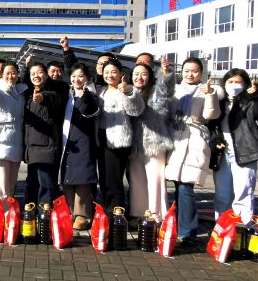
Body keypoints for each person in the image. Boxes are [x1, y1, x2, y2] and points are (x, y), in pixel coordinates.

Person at [164, 57, 222, 243]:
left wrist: (210, 95)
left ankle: (187, 231)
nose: (190, 74)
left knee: (186, 185)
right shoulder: (176, 89)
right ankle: (180, 226)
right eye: (187, 70)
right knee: (178, 185)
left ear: (201, 73)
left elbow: (211, 115)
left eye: (195, 71)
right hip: (176, 138)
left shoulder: (206, 90)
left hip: (194, 140)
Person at [210, 68, 258, 224]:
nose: (233, 85)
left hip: (245, 152)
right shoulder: (220, 101)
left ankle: (243, 226)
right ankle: (222, 227)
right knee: (222, 194)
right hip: (222, 154)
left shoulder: (250, 102)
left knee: (243, 193)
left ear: (245, 84)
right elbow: (212, 126)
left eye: (238, 82)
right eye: (230, 81)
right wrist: (216, 140)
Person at [127, 59, 175, 220]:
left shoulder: (156, 92)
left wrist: (165, 74)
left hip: (155, 143)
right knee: (137, 182)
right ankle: (139, 214)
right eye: (136, 74)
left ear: (150, 76)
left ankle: (157, 215)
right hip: (134, 145)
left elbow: (165, 90)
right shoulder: (129, 91)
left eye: (144, 74)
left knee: (156, 181)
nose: (139, 77)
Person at [97, 58, 145, 214]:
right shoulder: (100, 91)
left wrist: (129, 92)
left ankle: (115, 213)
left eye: (113, 72)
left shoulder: (127, 90)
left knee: (114, 180)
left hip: (118, 140)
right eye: (106, 72)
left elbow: (136, 110)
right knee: (104, 179)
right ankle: (108, 210)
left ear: (121, 74)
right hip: (102, 139)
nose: (110, 75)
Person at [59, 62, 100, 230]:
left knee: (83, 177)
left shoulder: (91, 95)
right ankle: (70, 212)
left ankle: (83, 215)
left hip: (83, 141)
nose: (77, 79)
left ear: (87, 78)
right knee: (67, 177)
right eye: (74, 76)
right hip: (67, 140)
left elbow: (89, 110)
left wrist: (85, 97)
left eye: (81, 76)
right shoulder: (66, 94)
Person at [0, 61, 27, 211]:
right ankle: (1, 213)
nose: (11, 76)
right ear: (2, 75)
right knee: (0, 184)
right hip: (0, 143)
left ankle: (10, 213)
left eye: (13, 72)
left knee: (11, 183)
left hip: (16, 141)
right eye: (7, 73)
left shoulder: (20, 91)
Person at [23, 62, 63, 206]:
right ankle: (31, 213)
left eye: (40, 72)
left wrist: (41, 98)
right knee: (32, 183)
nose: (36, 76)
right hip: (31, 147)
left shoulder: (53, 90)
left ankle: (45, 213)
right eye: (32, 73)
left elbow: (53, 98)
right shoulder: (28, 93)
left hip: (46, 147)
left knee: (46, 184)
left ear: (46, 75)